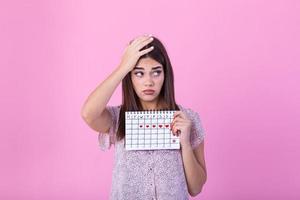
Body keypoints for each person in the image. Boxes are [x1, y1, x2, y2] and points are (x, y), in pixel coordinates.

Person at [81, 34, 207, 200]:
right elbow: (88, 113)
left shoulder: (187, 118)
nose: (148, 82)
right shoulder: (117, 118)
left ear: (165, 74)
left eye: (156, 72)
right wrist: (123, 67)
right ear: (130, 77)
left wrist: (185, 144)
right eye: (139, 73)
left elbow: (196, 188)